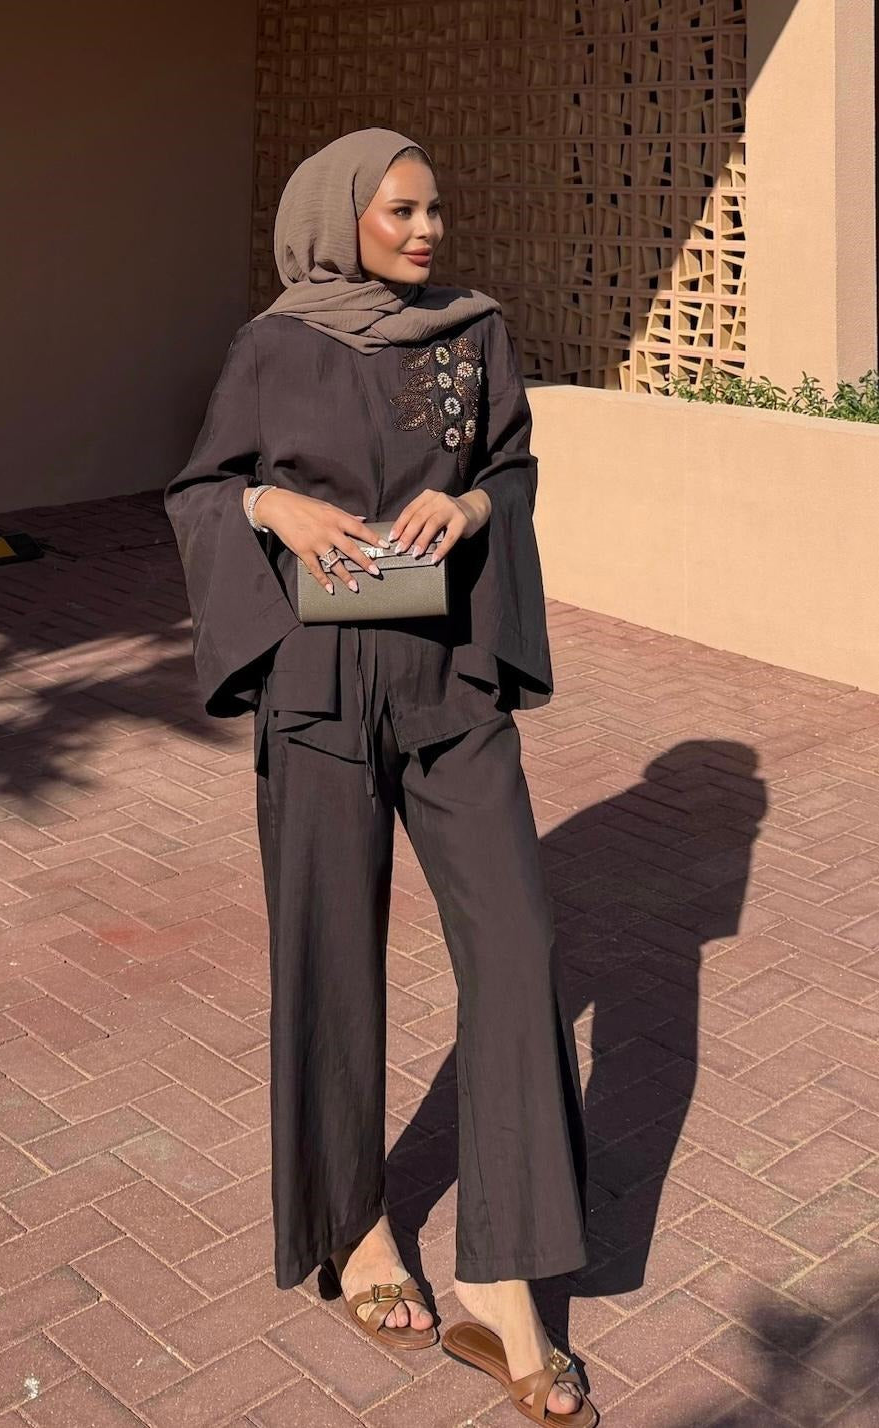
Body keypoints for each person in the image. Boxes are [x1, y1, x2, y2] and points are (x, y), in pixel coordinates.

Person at [165, 129, 595, 1425]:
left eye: (434, 208)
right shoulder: (273, 344)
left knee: (517, 950)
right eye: (400, 210)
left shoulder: (473, 332)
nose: (426, 230)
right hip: (316, 688)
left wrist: (470, 511)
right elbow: (201, 486)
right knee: (330, 954)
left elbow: (509, 464)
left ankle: (504, 1282)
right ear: (338, 214)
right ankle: (353, 1232)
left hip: (451, 680)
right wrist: (270, 510)